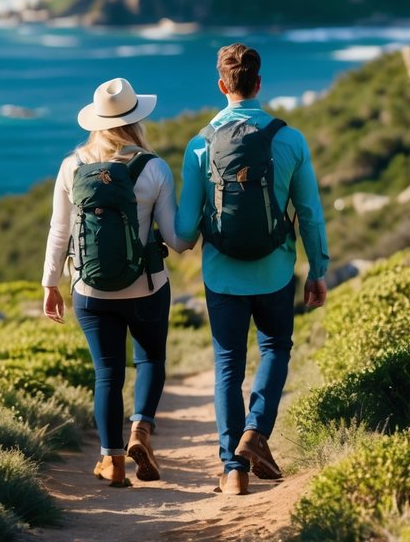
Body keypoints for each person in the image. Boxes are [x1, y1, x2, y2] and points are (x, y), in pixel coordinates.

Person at [176, 43, 329, 495]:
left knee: (227, 365)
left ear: (223, 86)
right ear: (259, 84)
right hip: (276, 269)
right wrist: (318, 269)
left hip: (221, 273)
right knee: (276, 347)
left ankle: (232, 469)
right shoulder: (290, 139)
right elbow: (310, 214)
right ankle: (256, 433)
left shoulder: (198, 146)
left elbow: (185, 231)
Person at [42, 76, 188, 488]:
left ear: (96, 122)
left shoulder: (73, 166)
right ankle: (141, 429)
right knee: (150, 360)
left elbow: (59, 231)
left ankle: (113, 460)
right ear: (136, 120)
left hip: (90, 291)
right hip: (147, 286)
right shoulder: (153, 167)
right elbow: (175, 239)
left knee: (107, 372)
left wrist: (50, 284)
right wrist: (204, 231)